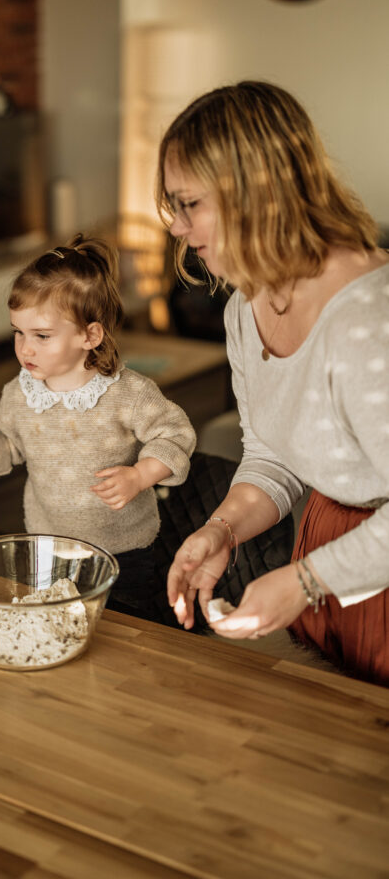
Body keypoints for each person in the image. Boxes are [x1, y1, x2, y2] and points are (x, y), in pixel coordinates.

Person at [158, 80, 388, 685]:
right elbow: (271, 453)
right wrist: (222, 529)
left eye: (189, 204)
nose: (178, 227)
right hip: (328, 548)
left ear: (253, 193)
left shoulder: (369, 318)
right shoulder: (245, 305)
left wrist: (307, 581)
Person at [0, 234, 196, 616]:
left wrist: (140, 475)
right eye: (18, 332)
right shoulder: (20, 393)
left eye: (42, 336)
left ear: (90, 335)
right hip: (49, 547)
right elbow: (6, 443)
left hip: (125, 550)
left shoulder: (127, 393)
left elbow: (175, 434)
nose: (26, 348)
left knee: (129, 630)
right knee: (56, 621)